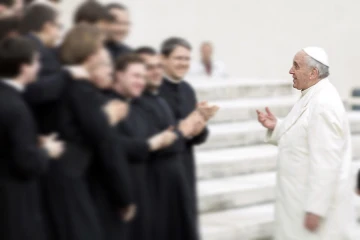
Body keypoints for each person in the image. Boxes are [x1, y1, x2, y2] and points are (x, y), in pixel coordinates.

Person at [257, 47, 353, 239]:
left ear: (313, 73)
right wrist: (276, 126)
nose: (290, 71)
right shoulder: (312, 94)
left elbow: (327, 161)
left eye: (296, 66)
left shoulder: (324, 103)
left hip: (309, 211)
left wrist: (316, 209)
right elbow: (302, 135)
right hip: (296, 203)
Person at [0, 36, 64, 240]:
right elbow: (26, 163)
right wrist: (48, 151)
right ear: (23, 67)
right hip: (14, 202)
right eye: (36, 61)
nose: (39, 66)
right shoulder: (17, 107)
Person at [158, 37, 211, 231]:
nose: (184, 64)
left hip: (185, 165)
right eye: (178, 58)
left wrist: (200, 128)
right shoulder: (154, 89)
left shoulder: (187, 89)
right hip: (161, 168)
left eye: (187, 59)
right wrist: (183, 128)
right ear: (162, 59)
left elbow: (197, 133)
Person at [20, 4, 65, 134]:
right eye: (59, 27)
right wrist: (67, 75)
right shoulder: (40, 52)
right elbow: (37, 90)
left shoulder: (24, 43)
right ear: (48, 26)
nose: (59, 35)